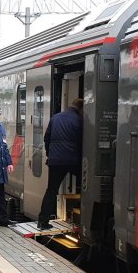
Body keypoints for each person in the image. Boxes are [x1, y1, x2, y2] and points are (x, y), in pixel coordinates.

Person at [38, 98, 84, 229]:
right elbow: (82, 142)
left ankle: (42, 221)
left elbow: (47, 138)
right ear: (80, 109)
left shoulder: (55, 118)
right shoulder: (79, 121)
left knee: (51, 190)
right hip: (73, 160)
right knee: (87, 184)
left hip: (56, 160)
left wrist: (49, 154)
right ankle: (81, 213)